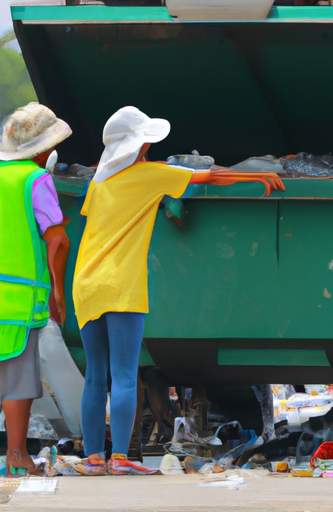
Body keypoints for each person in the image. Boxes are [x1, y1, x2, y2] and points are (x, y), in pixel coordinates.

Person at [73, 106, 197, 475]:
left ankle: (94, 458)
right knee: (125, 375)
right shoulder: (150, 174)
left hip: (87, 283)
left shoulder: (100, 181)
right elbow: (208, 177)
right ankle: (121, 459)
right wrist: (261, 177)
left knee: (96, 376)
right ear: (140, 145)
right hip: (123, 283)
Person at [0, 102, 71, 476]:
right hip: (18, 299)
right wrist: (57, 293)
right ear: (43, 147)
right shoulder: (35, 180)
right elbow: (57, 241)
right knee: (16, 380)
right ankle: (16, 456)